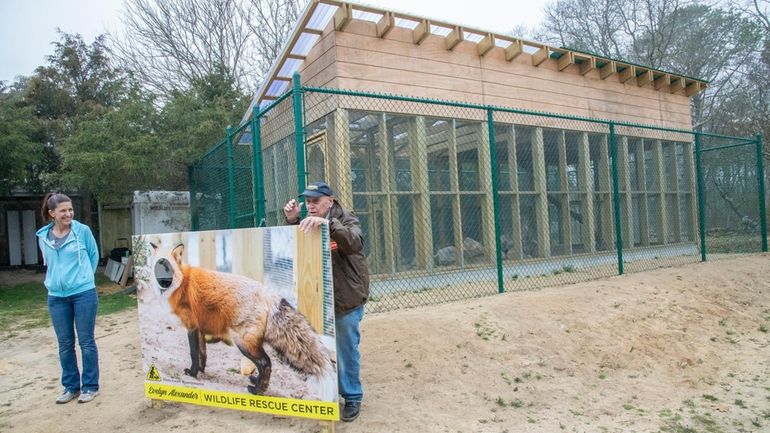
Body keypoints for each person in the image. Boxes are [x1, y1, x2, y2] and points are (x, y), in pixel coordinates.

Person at [284, 181, 369, 422]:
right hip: (317, 296)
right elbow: (293, 248)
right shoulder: (306, 221)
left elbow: (355, 243)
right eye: (307, 201)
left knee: (345, 347)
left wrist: (329, 225)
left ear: (330, 201)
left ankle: (352, 396)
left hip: (346, 297)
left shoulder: (346, 219)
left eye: (315, 201)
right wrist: (292, 220)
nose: (310, 205)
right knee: (316, 343)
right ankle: (322, 391)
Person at [36, 193, 100, 404]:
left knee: (86, 342)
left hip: (83, 294)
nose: (68, 214)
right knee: (64, 344)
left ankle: (90, 387)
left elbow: (93, 254)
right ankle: (71, 387)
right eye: (63, 210)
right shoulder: (43, 236)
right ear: (51, 213)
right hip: (56, 297)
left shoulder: (82, 231)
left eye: (70, 209)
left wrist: (85, 278)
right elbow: (49, 264)